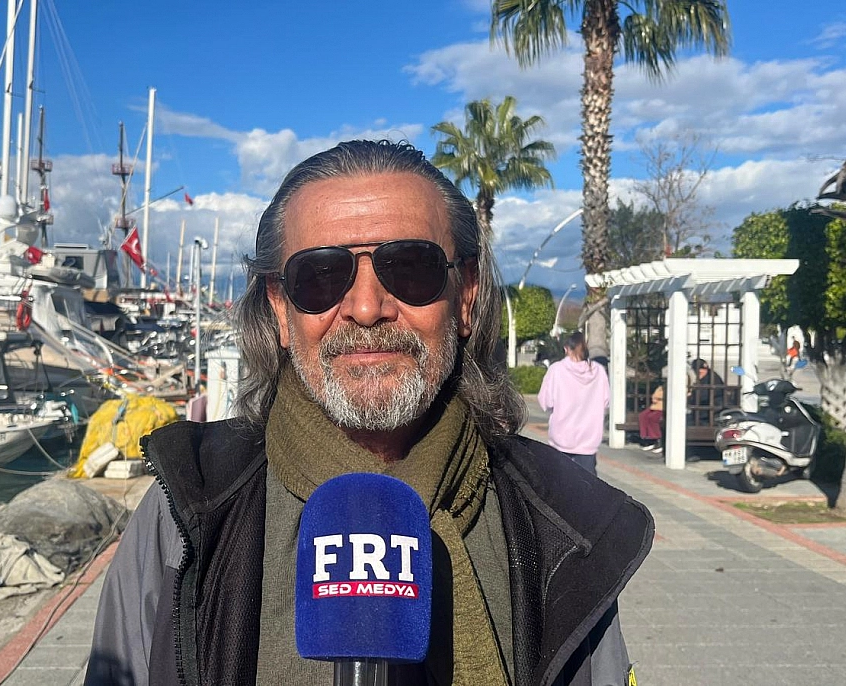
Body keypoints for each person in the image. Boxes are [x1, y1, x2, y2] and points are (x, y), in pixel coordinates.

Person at [85, 140, 653, 686]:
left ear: (466, 296)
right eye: (321, 276)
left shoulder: (563, 520)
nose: (365, 307)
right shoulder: (186, 510)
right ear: (280, 310)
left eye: (410, 268)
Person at [535, 331, 610, 474]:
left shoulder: (556, 370)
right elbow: (606, 401)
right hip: (589, 437)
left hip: (561, 435)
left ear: (566, 349)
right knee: (588, 482)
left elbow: (546, 401)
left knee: (560, 480)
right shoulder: (598, 371)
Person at [688, 358, 725, 425]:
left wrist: (690, 396)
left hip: (711, 412)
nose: (697, 373)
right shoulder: (709, 376)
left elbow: (702, 396)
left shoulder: (711, 379)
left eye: (699, 371)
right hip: (708, 410)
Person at [638, 385, 665, 453]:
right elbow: (655, 395)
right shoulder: (661, 387)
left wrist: (658, 398)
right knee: (643, 416)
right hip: (655, 405)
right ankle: (647, 437)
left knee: (653, 418)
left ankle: (657, 439)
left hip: (662, 407)